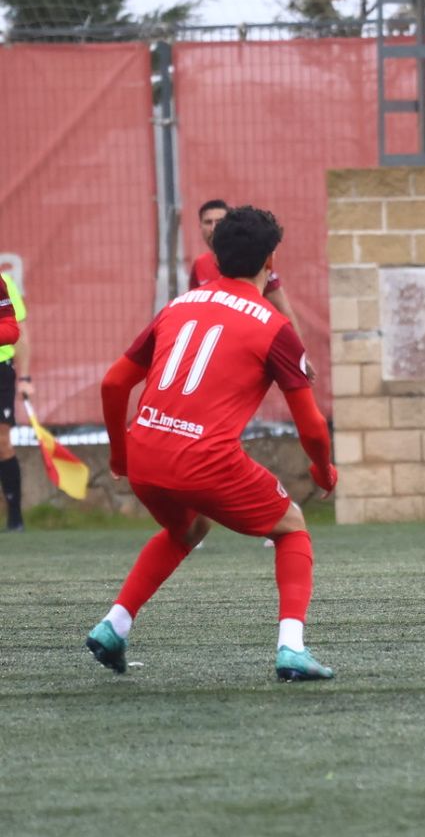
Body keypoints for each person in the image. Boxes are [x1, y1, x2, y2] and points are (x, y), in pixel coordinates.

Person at [86, 206, 340, 681]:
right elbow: (310, 426)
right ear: (271, 259)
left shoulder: (178, 306)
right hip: (204, 461)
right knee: (291, 527)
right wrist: (324, 471)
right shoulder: (274, 327)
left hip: (145, 454)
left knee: (188, 530)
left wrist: (121, 455)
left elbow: (113, 384)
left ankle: (114, 625)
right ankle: (291, 648)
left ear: (215, 256)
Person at [190, 198, 316, 381]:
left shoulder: (253, 264)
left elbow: (283, 309)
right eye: (208, 222)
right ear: (200, 226)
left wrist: (299, 357)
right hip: (211, 354)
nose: (213, 227)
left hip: (242, 350)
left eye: (219, 222)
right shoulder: (199, 265)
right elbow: (195, 312)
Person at [0, 270, 31, 531]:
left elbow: (18, 331)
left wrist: (26, 377)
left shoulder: (4, 282)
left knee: (2, 443)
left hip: (1, 370)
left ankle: (15, 517)